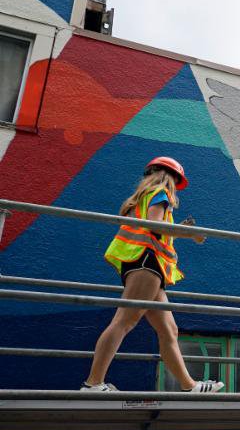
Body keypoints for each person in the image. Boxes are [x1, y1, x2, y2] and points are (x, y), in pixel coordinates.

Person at [81, 157, 224, 393]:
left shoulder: (138, 200)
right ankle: (93, 383)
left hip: (142, 263)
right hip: (147, 264)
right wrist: (191, 235)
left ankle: (189, 386)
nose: (175, 190)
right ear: (169, 178)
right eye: (176, 183)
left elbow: (153, 229)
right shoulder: (161, 194)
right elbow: (155, 227)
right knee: (124, 321)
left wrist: (180, 232)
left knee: (169, 330)